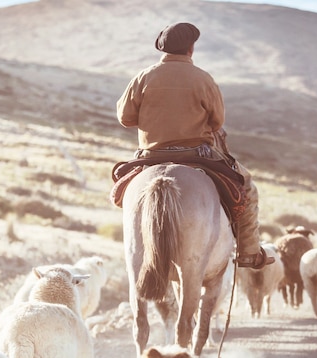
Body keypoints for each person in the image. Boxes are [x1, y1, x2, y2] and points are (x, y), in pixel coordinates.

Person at [116, 22, 273, 269]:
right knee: (246, 185)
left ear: (162, 48)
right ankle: (248, 252)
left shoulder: (143, 77)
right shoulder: (203, 78)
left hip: (150, 155)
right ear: (191, 49)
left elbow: (125, 118)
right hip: (197, 154)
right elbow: (217, 121)